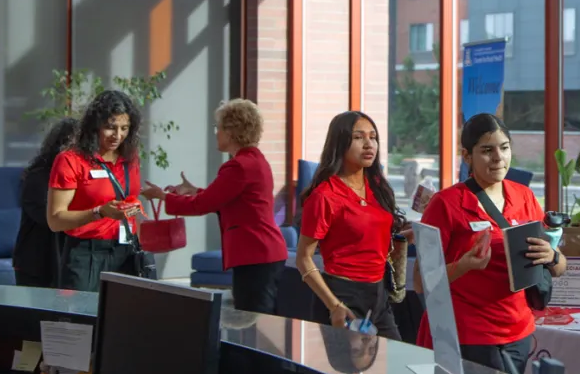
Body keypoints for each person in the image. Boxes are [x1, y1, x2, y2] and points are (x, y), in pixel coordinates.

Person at [417, 114, 566, 374]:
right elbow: (420, 281)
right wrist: (464, 265)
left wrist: (552, 256)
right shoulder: (446, 204)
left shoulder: (524, 196)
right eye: (487, 150)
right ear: (467, 156)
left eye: (504, 148)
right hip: (467, 333)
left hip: (518, 330)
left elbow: (559, 266)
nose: (498, 158)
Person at [142, 99, 288, 315]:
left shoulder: (238, 166)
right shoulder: (254, 161)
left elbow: (202, 205)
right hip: (263, 252)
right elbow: (223, 199)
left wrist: (163, 196)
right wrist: (194, 191)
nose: (216, 133)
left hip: (256, 253)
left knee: (254, 320)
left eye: (218, 128)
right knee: (259, 317)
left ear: (231, 132)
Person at [296, 111, 407, 340]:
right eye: (358, 137)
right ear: (340, 142)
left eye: (373, 137)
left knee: (387, 368)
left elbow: (374, 234)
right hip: (342, 295)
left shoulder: (378, 186)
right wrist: (334, 305)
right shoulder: (325, 195)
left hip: (379, 295)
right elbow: (303, 258)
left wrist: (406, 234)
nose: (369, 144)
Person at [46, 90, 143, 292]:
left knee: (123, 319)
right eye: (110, 128)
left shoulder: (130, 158)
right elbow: (55, 220)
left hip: (126, 249)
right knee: (83, 319)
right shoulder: (70, 160)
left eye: (124, 128)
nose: (118, 135)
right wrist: (99, 212)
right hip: (85, 253)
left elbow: (128, 197)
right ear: (95, 126)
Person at [13, 117, 78, 288]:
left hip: (68, 262)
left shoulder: (81, 177)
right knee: (38, 314)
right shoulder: (37, 177)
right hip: (37, 263)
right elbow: (49, 218)